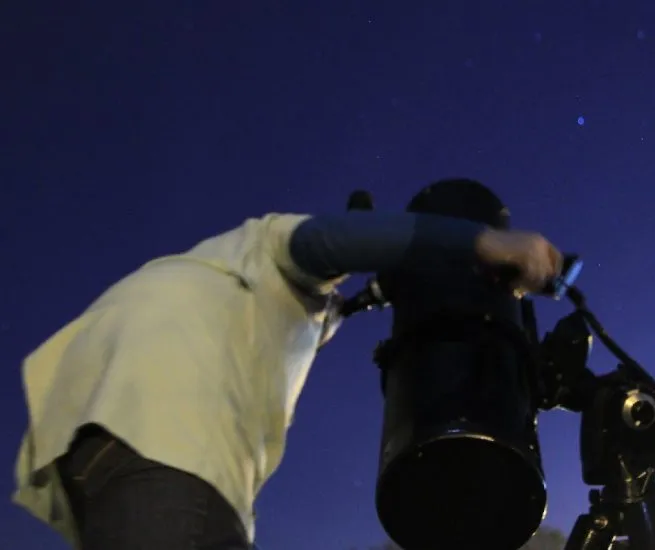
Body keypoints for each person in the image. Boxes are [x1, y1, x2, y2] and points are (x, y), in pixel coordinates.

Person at [12, 184, 563, 550]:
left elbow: (330, 311)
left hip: (94, 441)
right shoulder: (269, 242)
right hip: (173, 437)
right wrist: (484, 242)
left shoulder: (230, 288)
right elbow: (332, 241)